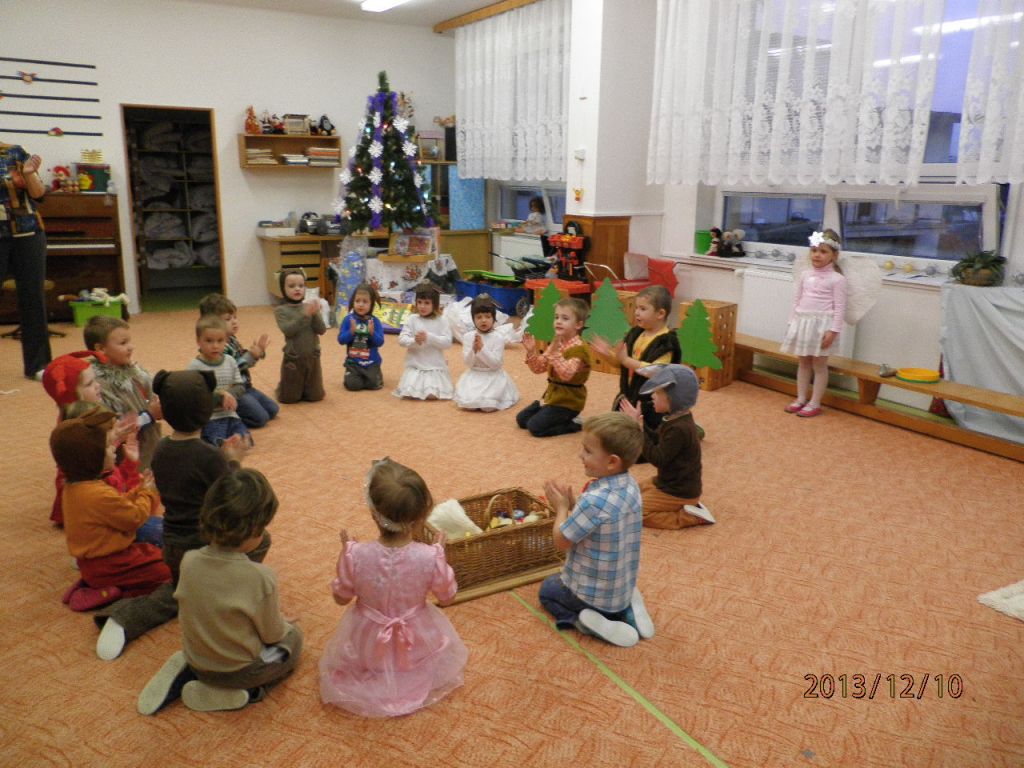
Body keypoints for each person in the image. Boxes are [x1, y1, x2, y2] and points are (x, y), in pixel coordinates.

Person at [90, 370, 255, 661]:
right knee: (260, 540)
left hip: (173, 543)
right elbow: (229, 497)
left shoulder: (161, 449)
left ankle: (124, 619)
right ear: (205, 412)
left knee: (177, 590)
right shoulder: (209, 456)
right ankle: (224, 590)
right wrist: (233, 462)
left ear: (164, 411)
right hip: (206, 545)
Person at [137, 469, 301, 715]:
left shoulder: (189, 560)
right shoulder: (260, 577)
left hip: (197, 657)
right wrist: (285, 625)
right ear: (254, 530)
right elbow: (272, 634)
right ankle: (245, 692)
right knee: (294, 641)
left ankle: (189, 670)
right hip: (239, 672)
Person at [319, 457, 467, 717]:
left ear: (373, 513)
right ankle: (407, 672)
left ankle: (376, 670)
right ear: (421, 516)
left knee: (358, 656)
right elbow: (447, 597)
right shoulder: (429, 556)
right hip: (415, 642)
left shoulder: (356, 554)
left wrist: (346, 555)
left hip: (368, 644)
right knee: (429, 653)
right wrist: (439, 557)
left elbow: (341, 598)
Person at [538, 412, 652, 647]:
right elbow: (601, 519)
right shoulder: (631, 485)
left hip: (592, 596)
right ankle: (628, 610)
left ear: (612, 462)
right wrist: (574, 505)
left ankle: (583, 621)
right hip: (619, 590)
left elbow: (561, 541)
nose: (581, 455)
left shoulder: (594, 501)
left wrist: (561, 509)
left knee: (548, 590)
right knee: (611, 592)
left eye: (588, 451)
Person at [50, 407, 170, 617]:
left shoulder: (78, 486)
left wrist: (140, 490)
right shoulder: (95, 493)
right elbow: (134, 517)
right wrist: (148, 492)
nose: (114, 449)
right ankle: (111, 592)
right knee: (168, 571)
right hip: (112, 564)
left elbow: (118, 505)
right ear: (92, 458)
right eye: (108, 446)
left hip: (97, 563)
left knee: (159, 554)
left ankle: (95, 584)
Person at [620, 365, 714, 529]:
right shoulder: (673, 418)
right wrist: (639, 424)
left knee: (634, 513)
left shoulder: (679, 428)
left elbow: (658, 458)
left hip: (678, 492)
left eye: (657, 393)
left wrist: (640, 430)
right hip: (666, 482)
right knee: (630, 493)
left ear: (672, 398)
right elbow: (657, 439)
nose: (652, 396)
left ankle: (689, 517)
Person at [590, 285, 681, 432]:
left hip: (652, 404)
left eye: (643, 309)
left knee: (647, 435)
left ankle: (683, 423)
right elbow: (621, 363)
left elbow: (656, 372)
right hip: (630, 396)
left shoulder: (666, 342)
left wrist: (626, 360)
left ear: (660, 313)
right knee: (605, 430)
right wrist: (607, 354)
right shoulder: (636, 334)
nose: (637, 312)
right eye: (637, 308)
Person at [780, 229, 848, 418]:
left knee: (819, 365)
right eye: (814, 250)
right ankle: (801, 398)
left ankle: (815, 402)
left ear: (834, 255)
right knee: (803, 363)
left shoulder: (838, 279)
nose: (817, 255)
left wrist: (833, 331)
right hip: (803, 323)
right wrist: (791, 323)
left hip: (822, 328)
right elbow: (796, 300)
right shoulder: (805, 275)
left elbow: (840, 308)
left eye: (823, 251)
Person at [0, 142, 51, 379]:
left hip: (28, 231)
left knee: (33, 298)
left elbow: (38, 194)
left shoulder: (15, 152)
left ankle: (39, 366)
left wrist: (29, 174)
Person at [85, 316, 163, 469]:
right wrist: (149, 415)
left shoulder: (133, 370)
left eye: (129, 341)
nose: (131, 347)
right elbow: (116, 428)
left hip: (149, 442)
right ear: (101, 349)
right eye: (123, 343)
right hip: (128, 454)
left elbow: (150, 391)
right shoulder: (100, 384)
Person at [198, 293, 278, 429]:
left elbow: (241, 358)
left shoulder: (232, 339)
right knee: (260, 418)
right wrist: (251, 355)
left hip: (245, 387)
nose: (234, 321)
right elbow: (233, 366)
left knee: (272, 409)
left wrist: (257, 353)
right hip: (232, 391)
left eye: (235, 317)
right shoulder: (217, 347)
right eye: (228, 319)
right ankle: (228, 418)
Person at [517, 297, 591, 437]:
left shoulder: (579, 349)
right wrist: (531, 352)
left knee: (535, 428)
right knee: (522, 420)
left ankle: (574, 423)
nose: (558, 321)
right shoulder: (558, 342)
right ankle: (547, 410)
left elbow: (566, 374)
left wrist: (555, 353)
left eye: (565, 318)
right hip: (552, 397)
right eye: (556, 317)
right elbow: (539, 368)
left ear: (578, 324)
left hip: (569, 402)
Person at [187, 314, 252, 447]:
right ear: (198, 341)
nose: (215, 346)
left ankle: (233, 441)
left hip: (231, 415)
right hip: (210, 418)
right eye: (209, 341)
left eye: (220, 341)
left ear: (226, 341)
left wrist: (230, 396)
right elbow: (195, 396)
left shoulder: (230, 361)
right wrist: (221, 397)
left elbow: (240, 386)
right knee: (212, 438)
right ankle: (221, 443)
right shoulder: (195, 366)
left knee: (245, 436)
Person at [454, 294, 519, 412]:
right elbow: (468, 363)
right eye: (479, 317)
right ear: (473, 319)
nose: (483, 320)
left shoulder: (498, 337)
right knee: (469, 404)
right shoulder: (468, 337)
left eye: (487, 316)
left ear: (494, 318)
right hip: (475, 375)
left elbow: (496, 364)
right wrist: (474, 350)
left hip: (492, 377)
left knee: (488, 407)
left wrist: (482, 350)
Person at [393, 282, 454, 401]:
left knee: (432, 394)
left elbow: (447, 342)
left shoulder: (442, 320)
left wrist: (429, 337)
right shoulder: (412, 319)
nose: (422, 306)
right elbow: (401, 340)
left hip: (434, 367)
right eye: (419, 302)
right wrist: (414, 341)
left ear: (434, 304)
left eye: (427, 303)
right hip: (416, 366)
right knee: (410, 393)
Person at [274, 268, 326, 403]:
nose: (297, 289)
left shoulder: (309, 307)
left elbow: (321, 330)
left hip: (313, 357)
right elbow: (288, 330)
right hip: (293, 358)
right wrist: (305, 315)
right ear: (283, 289)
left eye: (301, 286)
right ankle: (284, 386)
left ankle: (305, 387)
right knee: (289, 399)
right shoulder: (281, 310)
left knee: (316, 396)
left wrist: (316, 313)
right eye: (291, 286)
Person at [337, 282, 385, 391]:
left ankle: (374, 374)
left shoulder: (375, 321)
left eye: (365, 301)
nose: (361, 304)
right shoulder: (348, 320)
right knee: (353, 385)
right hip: (353, 363)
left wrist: (372, 333)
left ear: (371, 304)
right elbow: (341, 340)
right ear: (353, 302)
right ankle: (353, 375)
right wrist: (351, 332)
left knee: (373, 384)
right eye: (357, 301)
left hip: (371, 362)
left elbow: (380, 342)